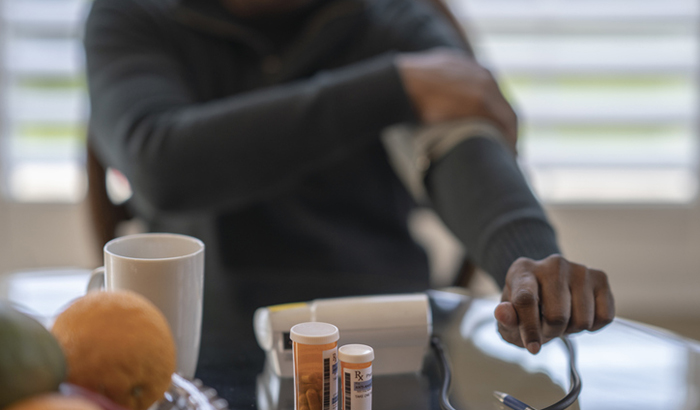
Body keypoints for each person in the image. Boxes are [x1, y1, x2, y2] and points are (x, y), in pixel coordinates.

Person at [83, 0, 614, 372]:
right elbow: (163, 164)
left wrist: (529, 260)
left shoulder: (390, 17)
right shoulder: (134, 13)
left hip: (378, 337)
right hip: (199, 333)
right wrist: (395, 85)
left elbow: (462, 150)